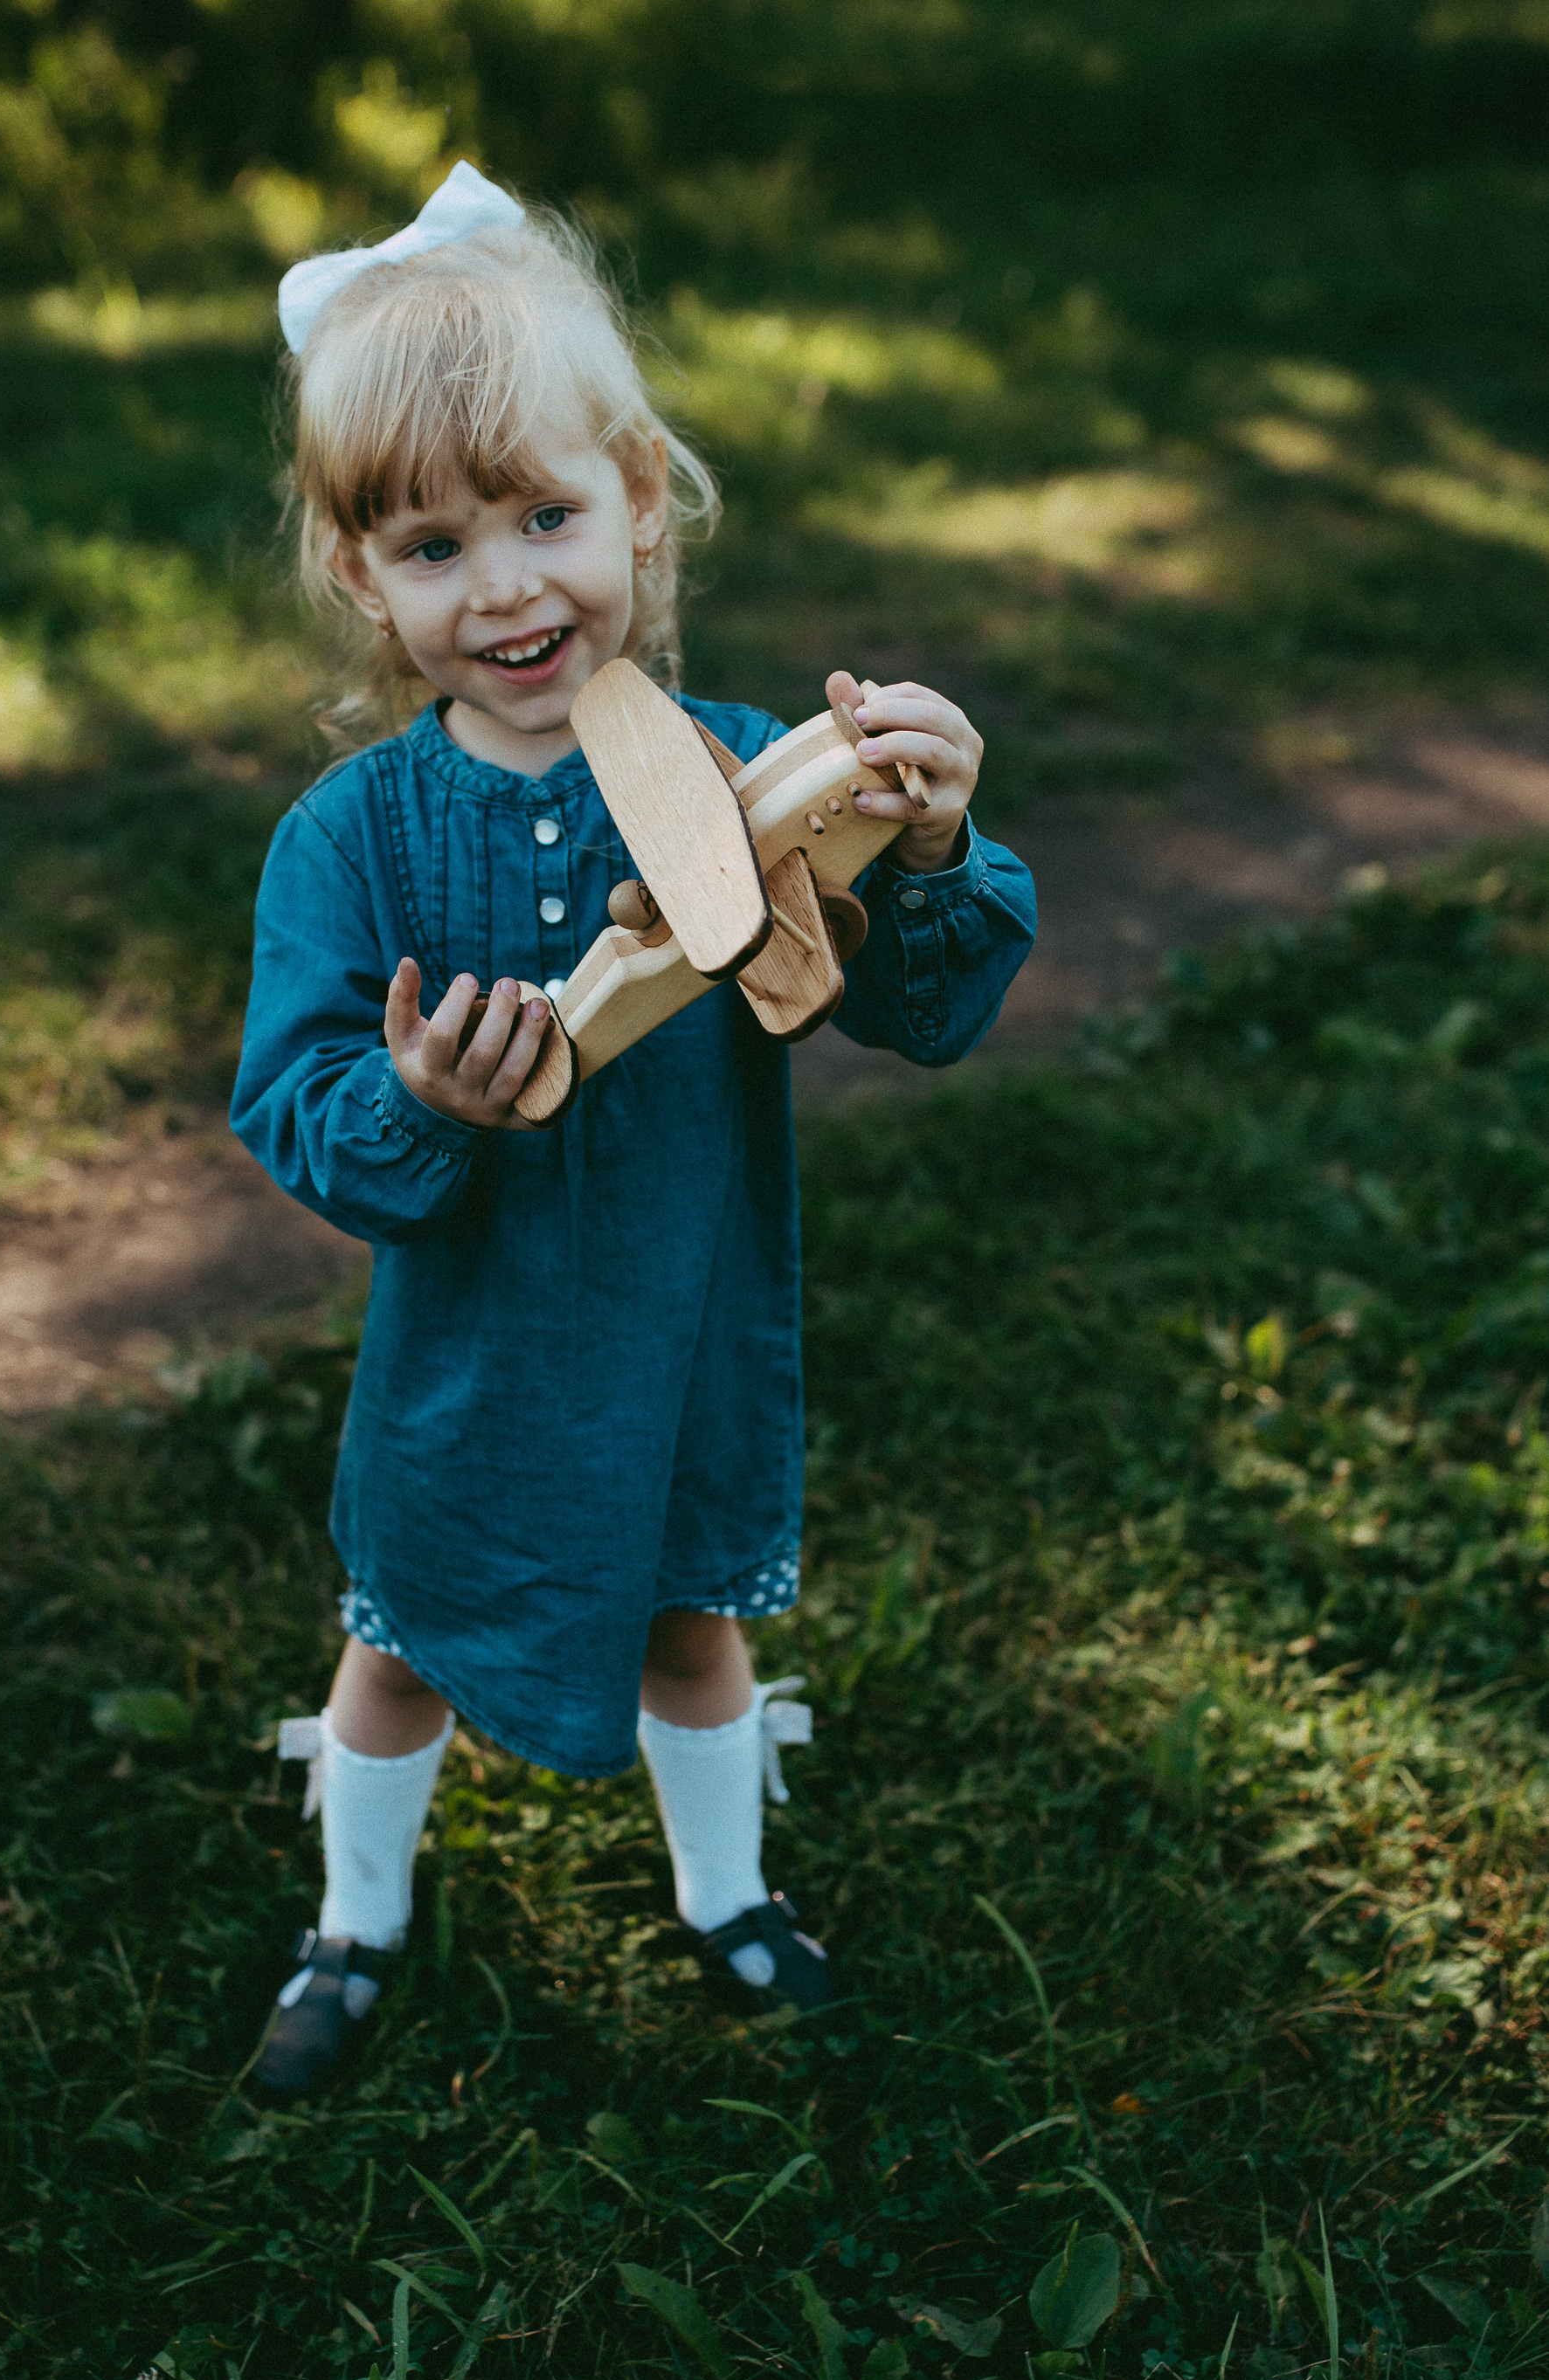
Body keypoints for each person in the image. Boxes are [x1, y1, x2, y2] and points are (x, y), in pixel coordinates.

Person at [231, 163, 1036, 2096]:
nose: (504, 585)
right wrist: (417, 1101)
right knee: (403, 1638)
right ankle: (354, 1923)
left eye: (543, 515)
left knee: (695, 1624)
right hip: (473, 1353)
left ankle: (727, 1894)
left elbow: (922, 1010)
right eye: (432, 546)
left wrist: (923, 836)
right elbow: (297, 1108)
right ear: (363, 577)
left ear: (642, 500)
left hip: (683, 1326)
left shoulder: (747, 776)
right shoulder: (352, 837)